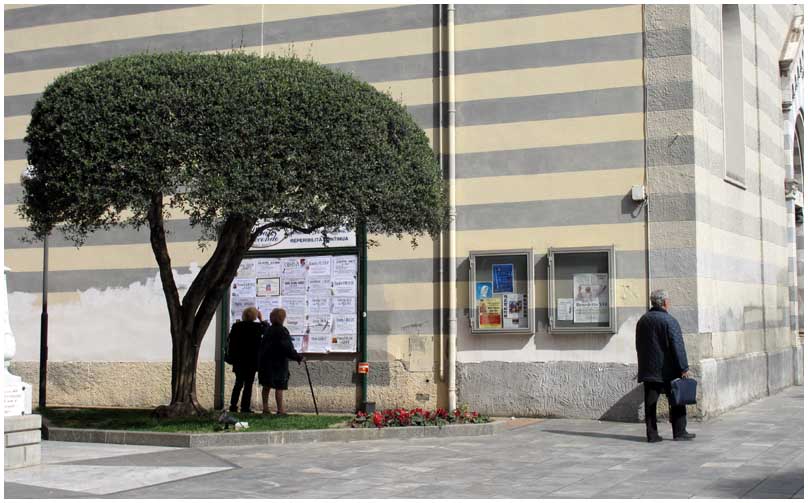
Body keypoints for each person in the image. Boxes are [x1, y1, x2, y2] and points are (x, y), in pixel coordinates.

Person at [635, 289, 696, 442]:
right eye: (668, 300)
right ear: (665, 302)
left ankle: (652, 434)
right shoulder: (669, 321)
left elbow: (639, 345)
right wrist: (683, 368)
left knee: (650, 403)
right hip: (668, 369)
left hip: (649, 369)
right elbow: (678, 346)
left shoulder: (642, 320)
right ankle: (679, 431)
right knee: (677, 400)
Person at [258, 308, 303, 415]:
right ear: (282, 318)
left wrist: (261, 320)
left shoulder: (268, 330)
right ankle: (280, 409)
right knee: (279, 386)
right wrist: (298, 357)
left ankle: (265, 408)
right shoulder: (282, 331)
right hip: (278, 363)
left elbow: (265, 328)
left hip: (265, 362)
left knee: (266, 385)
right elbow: (287, 348)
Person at [226, 307, 264, 413]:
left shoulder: (236, 326)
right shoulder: (257, 327)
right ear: (254, 316)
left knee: (238, 383)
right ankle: (245, 407)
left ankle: (233, 406)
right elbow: (267, 330)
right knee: (248, 385)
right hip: (251, 361)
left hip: (239, 360)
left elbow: (231, 341)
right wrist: (261, 319)